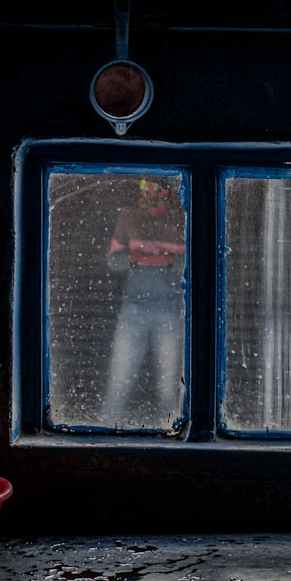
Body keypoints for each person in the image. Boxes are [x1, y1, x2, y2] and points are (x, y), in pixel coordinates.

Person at [102, 178, 186, 430]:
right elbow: (112, 262)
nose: (151, 196)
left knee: (168, 384)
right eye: (147, 190)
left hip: (169, 310)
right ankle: (103, 433)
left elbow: (191, 264)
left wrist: (165, 255)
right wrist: (135, 254)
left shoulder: (181, 218)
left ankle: (171, 436)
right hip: (134, 309)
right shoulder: (129, 217)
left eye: (158, 190)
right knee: (120, 378)